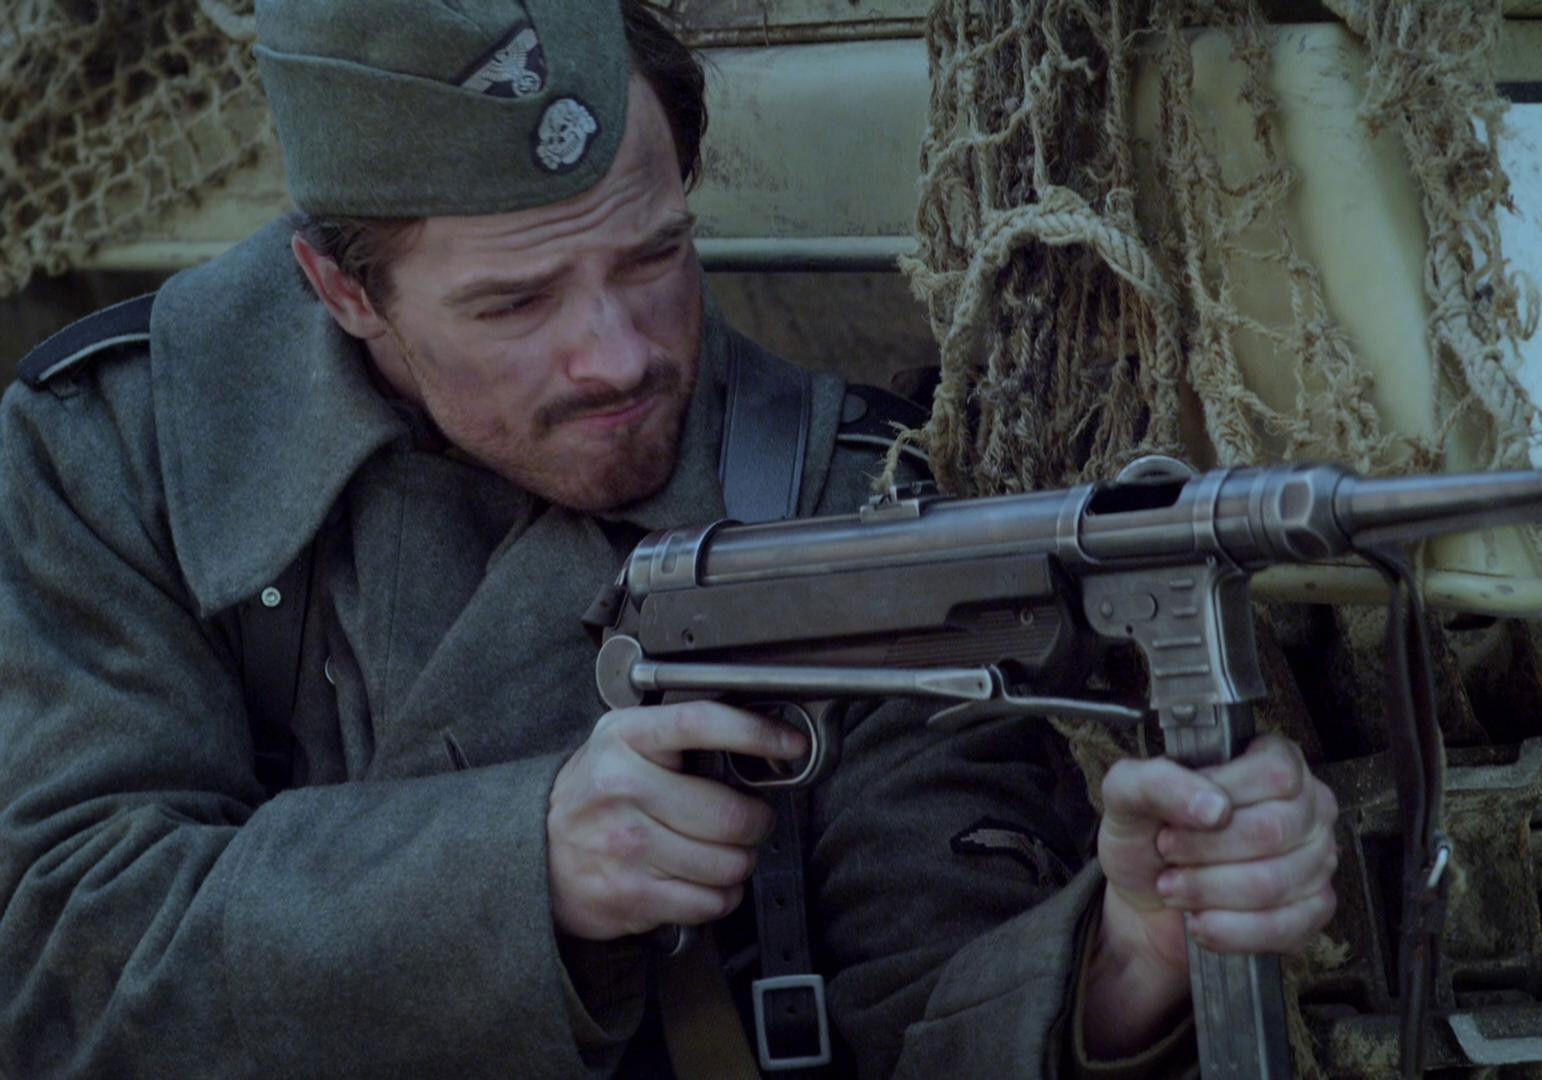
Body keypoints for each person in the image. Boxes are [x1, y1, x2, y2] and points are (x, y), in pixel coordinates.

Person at [0, 2, 1340, 1076]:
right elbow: (57, 963)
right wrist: (520, 868)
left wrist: (1127, 957)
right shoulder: (113, 455)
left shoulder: (847, 500)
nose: (618, 356)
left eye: (651, 257)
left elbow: (922, 1008)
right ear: (342, 291)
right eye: (515, 302)